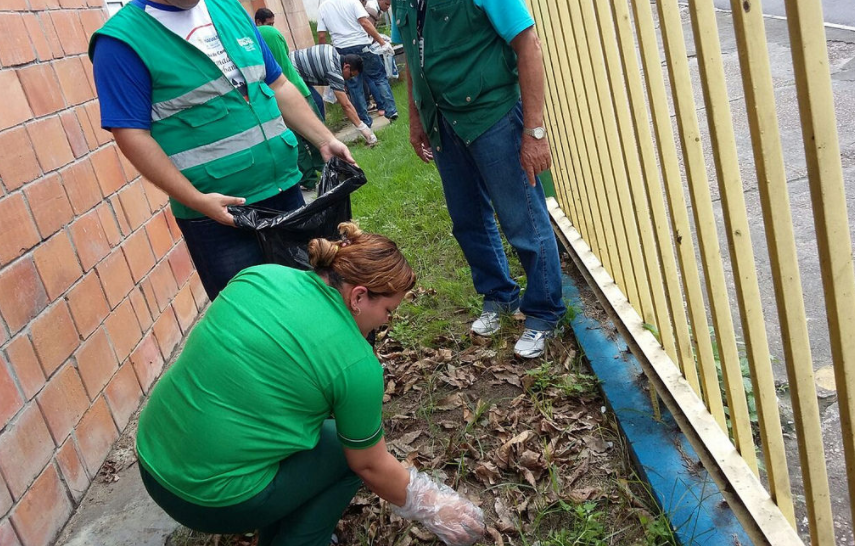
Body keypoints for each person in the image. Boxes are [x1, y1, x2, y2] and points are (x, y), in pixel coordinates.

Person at [135, 223, 485, 546]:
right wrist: (434, 504)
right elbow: (370, 466)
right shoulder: (356, 364)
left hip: (151, 456)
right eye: (388, 310)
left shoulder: (260, 276)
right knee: (342, 455)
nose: (386, 322)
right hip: (206, 500)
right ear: (359, 297)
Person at [89, 0, 354, 301]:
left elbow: (277, 85)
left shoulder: (228, 9)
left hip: (286, 191)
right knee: (255, 320)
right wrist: (197, 201)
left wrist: (323, 139)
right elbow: (132, 135)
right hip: (218, 218)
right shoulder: (120, 42)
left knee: (315, 298)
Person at [391, 0, 566, 358]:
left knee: (523, 219)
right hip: (442, 122)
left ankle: (545, 313)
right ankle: (498, 296)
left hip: (493, 115)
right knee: (467, 219)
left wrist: (534, 131)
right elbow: (412, 56)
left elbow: (528, 43)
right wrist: (415, 118)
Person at [254, 15, 328, 191]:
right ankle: (328, 171)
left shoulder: (249, 35)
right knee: (316, 134)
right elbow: (287, 53)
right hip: (296, 88)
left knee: (296, 143)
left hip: (275, 98)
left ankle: (308, 180)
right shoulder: (273, 32)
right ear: (261, 21)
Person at [317, 0, 398, 126]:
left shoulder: (322, 6)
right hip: (362, 45)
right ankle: (391, 111)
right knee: (379, 78)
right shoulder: (353, 1)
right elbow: (365, 22)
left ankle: (365, 122)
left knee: (354, 87)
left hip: (342, 51)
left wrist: (323, 56)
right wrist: (382, 42)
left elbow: (322, 36)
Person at [290, 45, 377, 145]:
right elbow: (346, 105)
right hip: (289, 71)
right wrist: (363, 127)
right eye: (351, 75)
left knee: (317, 102)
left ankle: (318, 137)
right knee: (315, 103)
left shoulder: (332, 50)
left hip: (290, 63)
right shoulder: (334, 70)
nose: (349, 79)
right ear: (346, 66)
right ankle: (317, 140)